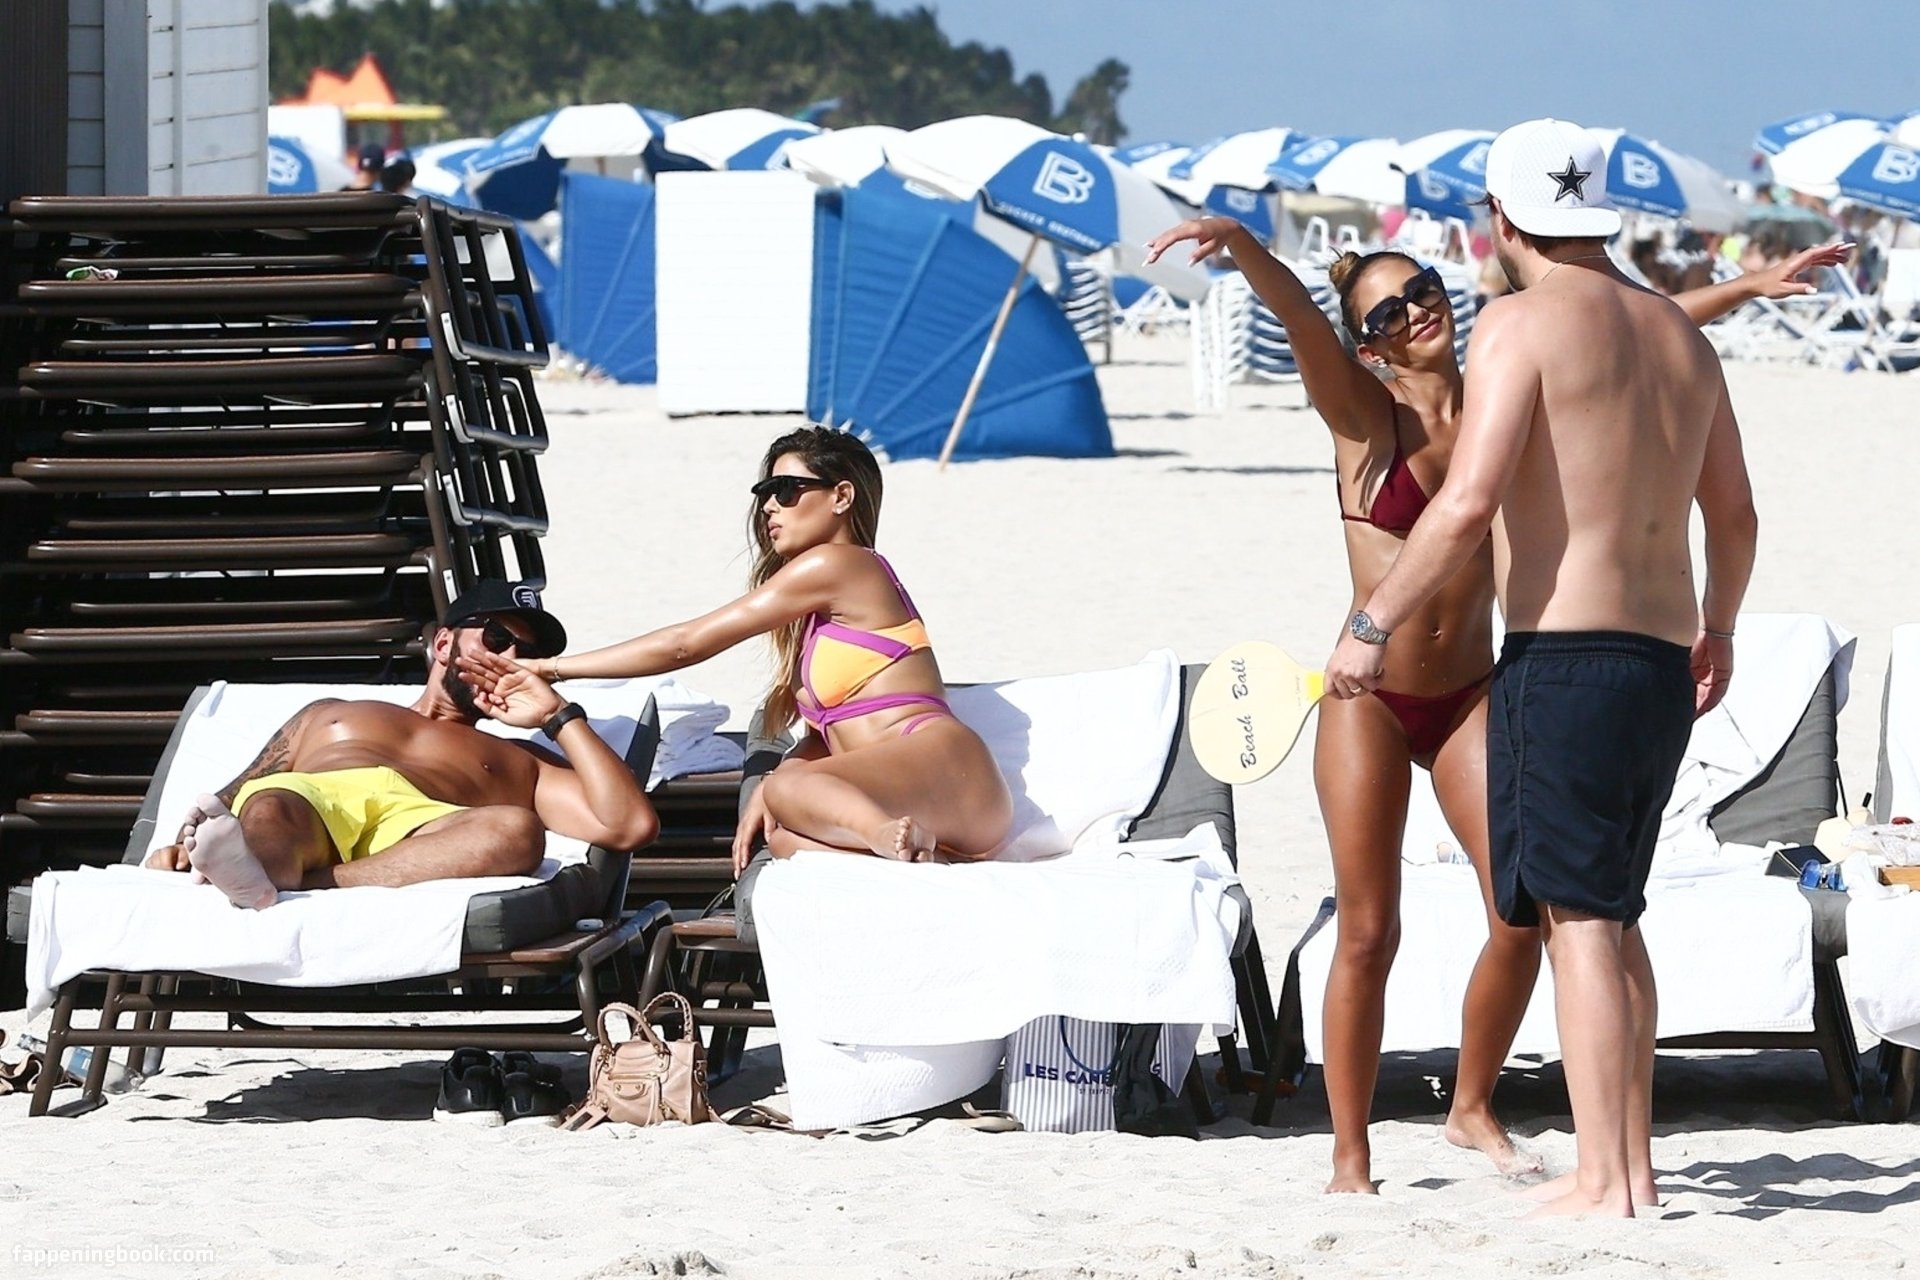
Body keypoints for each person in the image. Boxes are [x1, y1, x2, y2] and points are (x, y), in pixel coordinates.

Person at [1144, 176, 1832, 1197]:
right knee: (1368, 929)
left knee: (1521, 915)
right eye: (1386, 312)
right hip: (1370, 698)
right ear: (1369, 345)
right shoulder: (1363, 416)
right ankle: (1350, 1157)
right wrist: (1245, 245)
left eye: (1423, 288)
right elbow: (1300, 323)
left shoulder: (1511, 376)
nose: (1414, 310)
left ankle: (1469, 1106)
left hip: (1473, 691)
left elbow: (1627, 324)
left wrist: (1747, 287)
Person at [1324, 118, 1759, 1219]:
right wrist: (1721, 624)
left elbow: (1468, 503)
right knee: (1616, 912)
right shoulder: (1680, 336)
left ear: (1501, 219)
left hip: (1564, 656)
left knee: (1581, 926)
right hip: (1663, 661)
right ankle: (1634, 1166)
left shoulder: (1518, 325)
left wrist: (1372, 622)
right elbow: (1736, 514)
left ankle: (1606, 1179)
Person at [494, 426, 1013, 868]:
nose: (768, 505)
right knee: (783, 835)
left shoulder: (842, 563)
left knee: (785, 793)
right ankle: (921, 854)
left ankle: (883, 837)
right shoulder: (825, 614)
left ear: (841, 497)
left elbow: (684, 644)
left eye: (786, 490)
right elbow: (829, 735)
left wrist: (552, 668)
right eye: (765, 492)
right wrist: (779, 776)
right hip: (919, 796)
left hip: (947, 772)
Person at [144, 581, 658, 909]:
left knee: (516, 830)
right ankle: (259, 870)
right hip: (317, 801)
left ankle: (290, 884)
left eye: (525, 654)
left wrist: (557, 716)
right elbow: (234, 794)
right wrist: (180, 844)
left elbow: (630, 825)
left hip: (425, 828)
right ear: (443, 643)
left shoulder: (520, 759)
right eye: (497, 639)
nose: (509, 659)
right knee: (271, 805)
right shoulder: (330, 711)